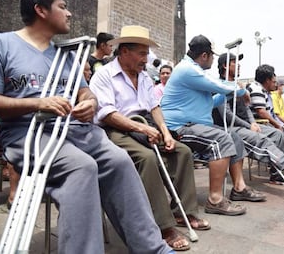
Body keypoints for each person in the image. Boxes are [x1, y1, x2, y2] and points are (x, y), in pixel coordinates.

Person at [0, 0, 171, 253]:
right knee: (82, 167)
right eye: (62, 7)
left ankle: (153, 248)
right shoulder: (2, 45)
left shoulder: (66, 55)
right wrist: (38, 102)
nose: (70, 13)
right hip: (29, 132)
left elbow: (85, 91)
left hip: (75, 130)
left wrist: (90, 102)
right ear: (40, 10)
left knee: (119, 160)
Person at [89, 25, 209, 251]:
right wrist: (143, 130)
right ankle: (163, 226)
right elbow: (107, 114)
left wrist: (164, 132)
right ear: (124, 51)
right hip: (115, 129)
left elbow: (154, 107)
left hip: (145, 125)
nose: (146, 59)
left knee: (181, 151)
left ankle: (184, 212)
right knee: (146, 158)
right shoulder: (104, 75)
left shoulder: (143, 77)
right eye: (142, 53)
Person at [161, 35, 266, 217]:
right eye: (212, 56)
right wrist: (240, 89)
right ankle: (215, 200)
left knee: (234, 136)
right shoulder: (188, 69)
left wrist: (232, 93)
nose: (212, 60)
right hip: (180, 128)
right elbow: (217, 85)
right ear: (204, 55)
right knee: (221, 140)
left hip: (194, 125)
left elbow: (210, 100)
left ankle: (239, 188)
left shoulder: (192, 70)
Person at [213, 53, 284, 185]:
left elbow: (246, 108)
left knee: (277, 133)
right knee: (260, 138)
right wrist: (249, 126)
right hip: (229, 127)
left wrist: (253, 123)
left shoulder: (238, 86)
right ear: (225, 66)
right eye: (234, 62)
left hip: (246, 125)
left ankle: (278, 174)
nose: (238, 65)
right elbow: (227, 115)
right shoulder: (219, 86)